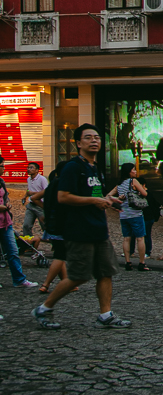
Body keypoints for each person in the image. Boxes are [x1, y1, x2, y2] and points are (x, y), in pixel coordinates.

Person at [32, 125, 129, 330]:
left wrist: (108, 199)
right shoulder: (73, 167)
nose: (94, 141)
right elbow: (63, 196)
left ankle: (106, 315)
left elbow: (94, 194)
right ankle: (44, 308)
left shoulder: (95, 167)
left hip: (98, 229)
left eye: (97, 137)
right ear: (78, 143)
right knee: (79, 275)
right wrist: (94, 202)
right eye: (88, 138)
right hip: (79, 230)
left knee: (105, 272)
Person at [0, 155, 38, 291]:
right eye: (2, 166)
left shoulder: (1, 181)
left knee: (13, 251)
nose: (4, 168)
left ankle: (19, 279)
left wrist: (8, 204)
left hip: (6, 223)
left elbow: (5, 197)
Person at [33, 162, 69, 295]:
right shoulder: (63, 185)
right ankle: (46, 284)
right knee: (60, 256)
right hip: (61, 225)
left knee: (59, 254)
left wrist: (46, 211)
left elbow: (35, 198)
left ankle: (66, 282)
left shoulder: (52, 184)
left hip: (51, 225)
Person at [113, 163, 150, 271]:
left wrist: (119, 198)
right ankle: (142, 263)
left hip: (123, 215)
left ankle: (128, 262)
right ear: (129, 171)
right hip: (135, 214)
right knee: (140, 238)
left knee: (126, 238)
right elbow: (145, 193)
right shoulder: (133, 181)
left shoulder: (119, 185)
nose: (135, 171)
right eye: (134, 170)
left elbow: (108, 196)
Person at [22, 162, 48, 236]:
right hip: (31, 205)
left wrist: (33, 193)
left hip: (40, 205)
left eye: (31, 168)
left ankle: (52, 241)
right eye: (28, 167)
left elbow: (46, 192)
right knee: (26, 225)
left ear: (37, 170)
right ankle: (28, 243)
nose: (29, 169)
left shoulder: (42, 179)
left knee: (44, 225)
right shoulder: (29, 179)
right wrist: (25, 195)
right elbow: (28, 189)